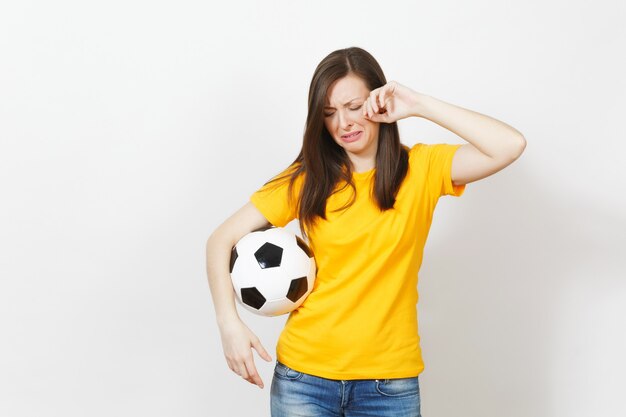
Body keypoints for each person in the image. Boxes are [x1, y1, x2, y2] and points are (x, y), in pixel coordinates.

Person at [206, 46, 526, 417]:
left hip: (389, 387)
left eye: (354, 106)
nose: (343, 123)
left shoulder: (421, 169)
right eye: (329, 113)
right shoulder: (308, 180)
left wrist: (419, 103)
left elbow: (510, 145)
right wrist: (229, 323)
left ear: (378, 100)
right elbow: (220, 240)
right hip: (303, 380)